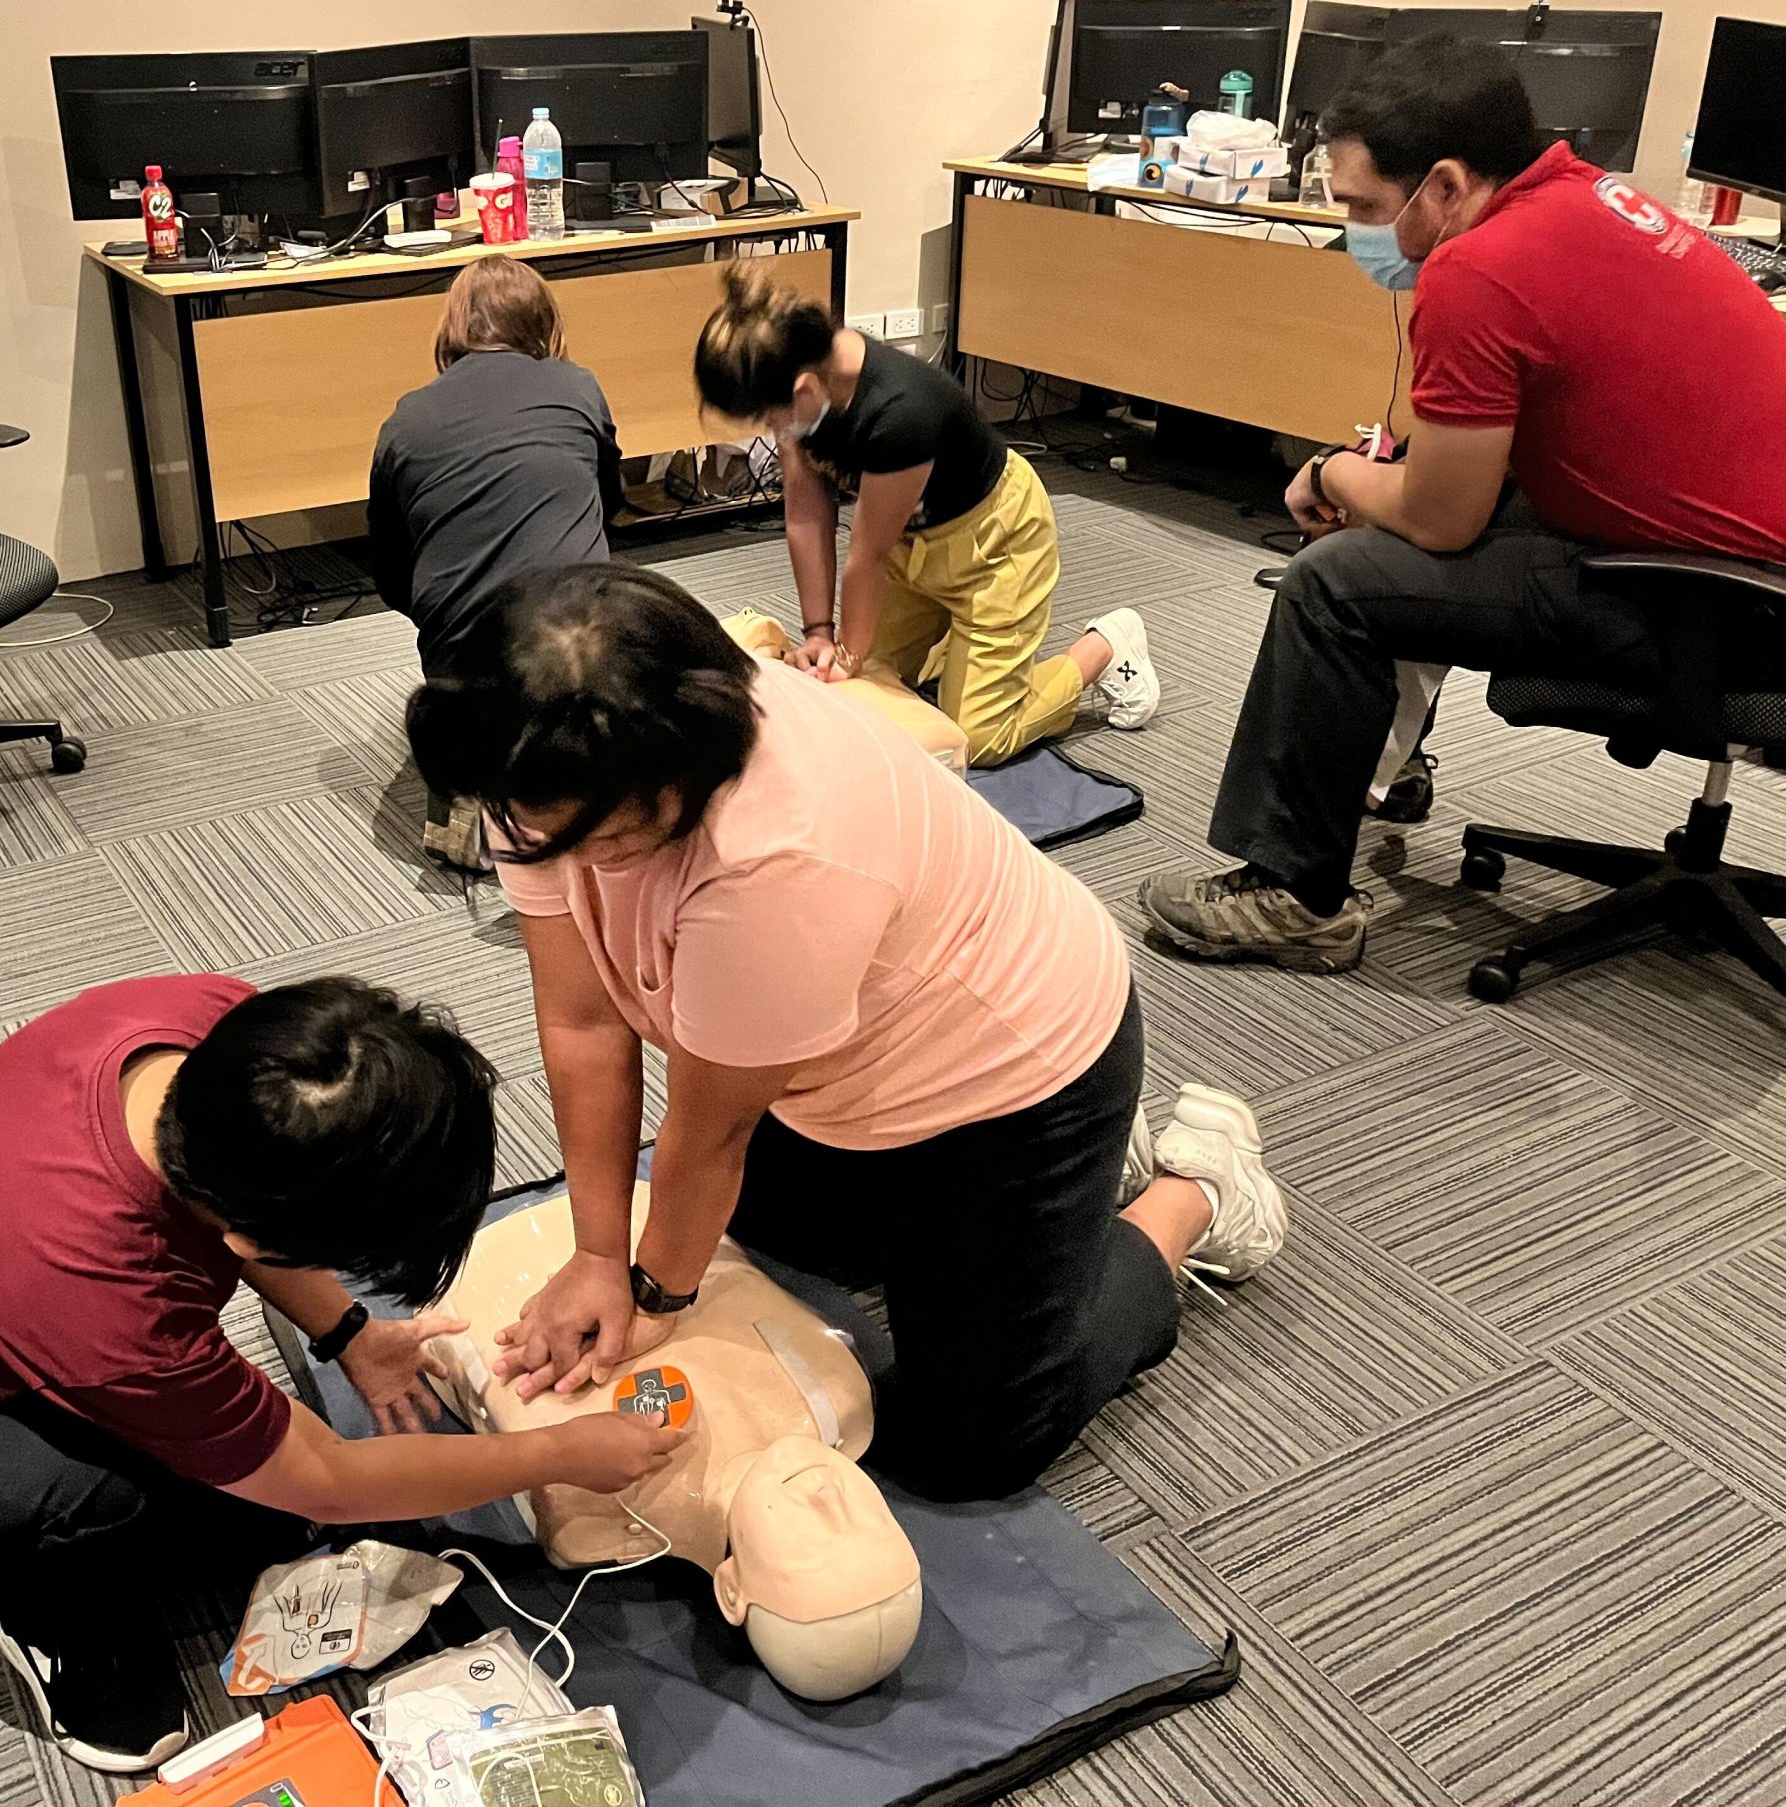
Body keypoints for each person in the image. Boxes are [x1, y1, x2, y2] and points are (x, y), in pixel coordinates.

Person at [406, 563, 1290, 1506]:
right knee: (773, 1241)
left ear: (689, 772)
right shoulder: (539, 762)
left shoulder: (775, 853)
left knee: (965, 1443)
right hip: (842, 1065)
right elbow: (583, 1022)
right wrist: (596, 1254)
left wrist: (653, 1293)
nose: (577, 865)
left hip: (1019, 1070)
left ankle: (1197, 1188)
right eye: (546, 836)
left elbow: (711, 1134)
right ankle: (1064, 1202)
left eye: (610, 844)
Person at [0, 975, 680, 1776]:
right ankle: (47, 1611)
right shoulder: (115, 1307)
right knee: (132, 1501)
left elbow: (244, 1219)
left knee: (260, 1526)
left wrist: (352, 1330)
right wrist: (560, 1452)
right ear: (245, 1237)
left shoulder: (217, 1032)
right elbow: (334, 1476)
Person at [1141, 38, 1786, 974]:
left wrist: (1328, 476)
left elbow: (1442, 519)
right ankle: (1382, 774)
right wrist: (1388, 480)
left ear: (1442, 184)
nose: (1355, 230)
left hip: (1728, 605)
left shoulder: (1478, 268)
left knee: (1336, 582)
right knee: (1398, 528)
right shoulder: (1590, 197)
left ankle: (1296, 901)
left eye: (1363, 207)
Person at [692, 262, 1159, 767]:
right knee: (868, 693)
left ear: (803, 390)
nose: (767, 427)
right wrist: (819, 632)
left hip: (996, 546)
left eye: (766, 416)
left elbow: (865, 557)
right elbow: (806, 512)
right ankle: (957, 650)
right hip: (910, 547)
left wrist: (846, 655)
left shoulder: (901, 411)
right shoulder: (799, 372)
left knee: (976, 736)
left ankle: (1105, 649)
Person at [366, 254, 621, 870]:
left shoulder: (407, 418)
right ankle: (574, 765)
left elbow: (388, 567)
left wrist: (442, 618)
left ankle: (471, 772)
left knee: (476, 682)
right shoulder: (576, 386)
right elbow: (607, 504)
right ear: (543, 323)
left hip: (462, 645)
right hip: (572, 631)